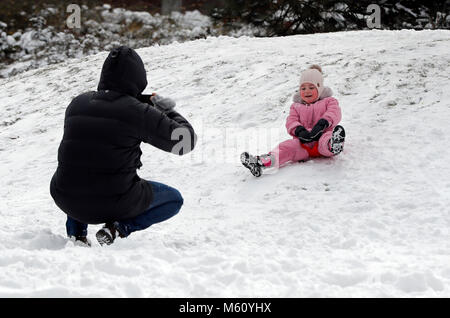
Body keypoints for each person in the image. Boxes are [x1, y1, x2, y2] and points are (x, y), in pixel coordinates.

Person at [50, 46, 197, 246]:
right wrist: (165, 111)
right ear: (138, 78)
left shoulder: (77, 103)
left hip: (64, 196)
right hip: (111, 201)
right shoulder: (138, 112)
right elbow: (185, 141)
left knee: (82, 167)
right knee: (173, 199)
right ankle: (118, 228)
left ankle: (77, 235)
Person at [241, 64, 345, 177]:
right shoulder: (296, 106)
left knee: (326, 140)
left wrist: (322, 124)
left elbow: (334, 112)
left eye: (311, 87)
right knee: (286, 147)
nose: (307, 91)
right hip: (303, 143)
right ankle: (261, 162)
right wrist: (299, 130)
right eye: (303, 88)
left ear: (319, 88)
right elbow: (291, 120)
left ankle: (334, 145)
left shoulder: (329, 101)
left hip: (322, 136)